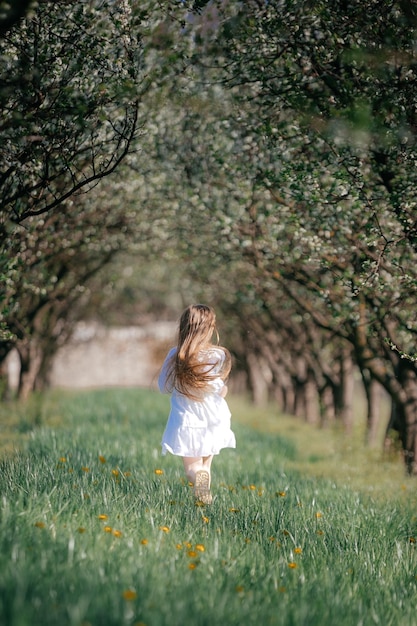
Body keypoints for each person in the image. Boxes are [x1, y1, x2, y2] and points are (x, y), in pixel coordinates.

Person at [158, 304, 236, 504]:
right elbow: (219, 388)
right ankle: (203, 501)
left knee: (193, 468)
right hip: (214, 419)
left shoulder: (176, 355)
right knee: (205, 468)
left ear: (183, 327)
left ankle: (202, 496)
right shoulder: (217, 355)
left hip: (187, 420)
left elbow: (162, 386)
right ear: (210, 328)